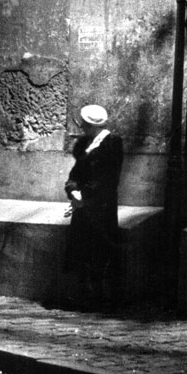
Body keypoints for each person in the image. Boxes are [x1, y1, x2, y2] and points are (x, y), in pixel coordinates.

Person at [64, 104, 124, 306]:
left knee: (99, 249)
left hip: (100, 207)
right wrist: (72, 190)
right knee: (82, 250)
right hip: (82, 207)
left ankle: (101, 296)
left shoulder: (112, 144)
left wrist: (85, 194)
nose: (81, 127)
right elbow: (75, 174)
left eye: (84, 124)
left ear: (92, 125)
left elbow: (108, 178)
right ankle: (85, 295)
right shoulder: (84, 145)